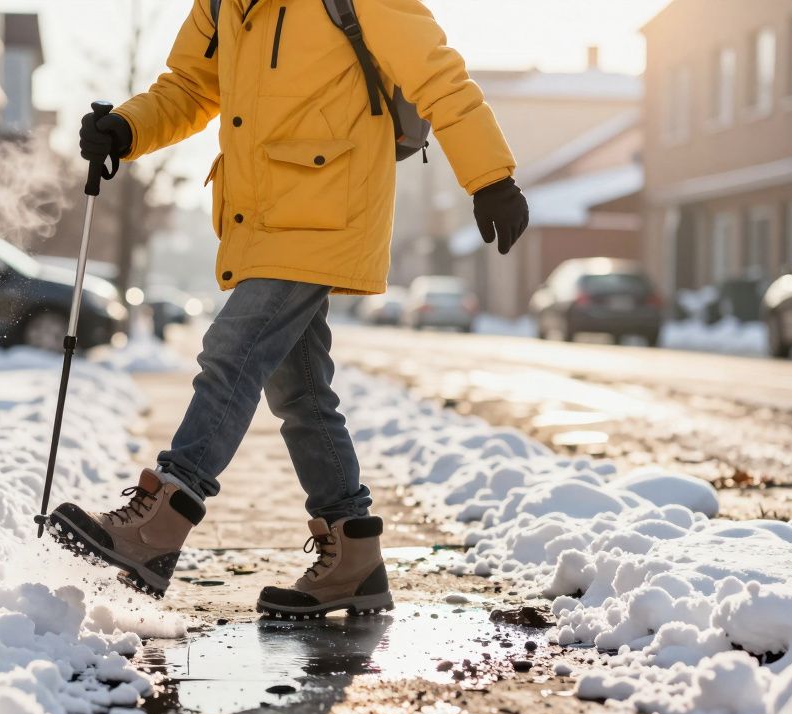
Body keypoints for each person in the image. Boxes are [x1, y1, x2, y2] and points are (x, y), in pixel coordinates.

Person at [50, 0, 528, 619]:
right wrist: (126, 127)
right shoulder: (220, 4)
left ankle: (161, 519)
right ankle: (353, 555)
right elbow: (190, 87)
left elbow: (436, 73)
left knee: (232, 350)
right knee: (300, 391)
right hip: (261, 217)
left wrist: (490, 176)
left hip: (330, 208)